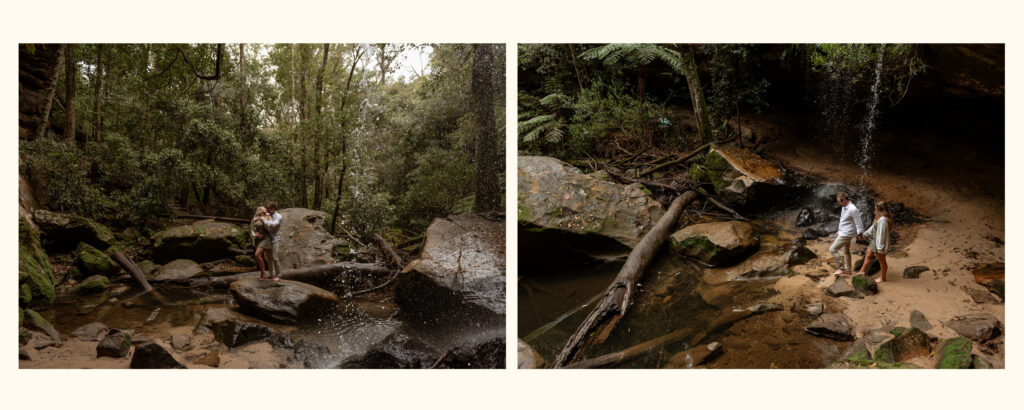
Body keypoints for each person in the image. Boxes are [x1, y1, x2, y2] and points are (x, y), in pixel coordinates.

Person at [857, 201, 893, 283]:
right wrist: (865, 235)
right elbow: (873, 228)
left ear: (880, 209)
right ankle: (861, 272)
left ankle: (883, 278)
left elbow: (882, 235)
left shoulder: (883, 220)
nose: (875, 210)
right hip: (874, 241)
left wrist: (880, 248)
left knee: (882, 261)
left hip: (879, 243)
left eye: (876, 208)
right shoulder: (878, 217)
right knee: (868, 255)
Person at [830, 192, 864, 276]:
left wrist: (860, 234)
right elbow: (843, 220)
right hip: (843, 231)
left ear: (844, 200)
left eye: (839, 201)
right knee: (846, 251)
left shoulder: (853, 209)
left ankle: (842, 269)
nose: (838, 203)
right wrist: (839, 230)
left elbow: (858, 222)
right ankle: (848, 270)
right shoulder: (844, 206)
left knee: (832, 249)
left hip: (847, 233)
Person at [254, 202, 284, 281]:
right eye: (266, 208)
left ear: (272, 209)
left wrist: (264, 220)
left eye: (268, 208)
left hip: (275, 239)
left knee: (275, 257)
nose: (266, 210)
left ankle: (279, 275)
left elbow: (273, 225)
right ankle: (271, 274)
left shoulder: (279, 217)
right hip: (268, 239)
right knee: (269, 258)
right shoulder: (268, 214)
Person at [250, 206, 271, 281]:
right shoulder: (255, 219)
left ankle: (263, 273)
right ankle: (263, 273)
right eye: (264, 208)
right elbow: (252, 230)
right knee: (260, 256)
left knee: (257, 255)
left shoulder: (268, 216)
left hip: (265, 239)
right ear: (260, 210)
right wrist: (254, 234)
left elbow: (270, 227)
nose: (265, 209)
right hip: (257, 240)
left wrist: (265, 219)